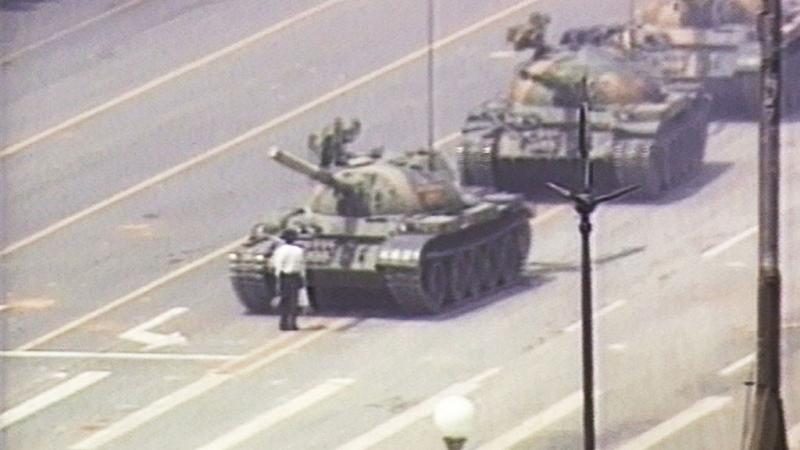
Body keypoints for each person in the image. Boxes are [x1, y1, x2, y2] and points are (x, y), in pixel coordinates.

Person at [271, 228, 306, 331]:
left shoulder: (280, 250)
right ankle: (293, 324)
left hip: (283, 277)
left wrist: (277, 279)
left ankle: (283, 323)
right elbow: (301, 266)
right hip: (295, 277)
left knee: (284, 301)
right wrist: (303, 280)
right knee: (294, 302)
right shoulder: (298, 250)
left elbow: (277, 265)